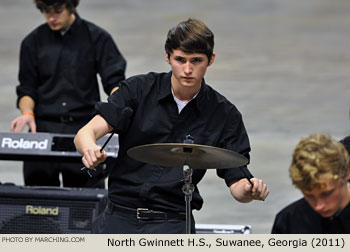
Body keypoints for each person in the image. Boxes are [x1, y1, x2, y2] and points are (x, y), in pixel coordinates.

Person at [74, 18, 269, 234]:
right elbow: (86, 133)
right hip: (119, 216)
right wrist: (90, 148)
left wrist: (250, 191)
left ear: (211, 59)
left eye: (196, 60)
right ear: (167, 57)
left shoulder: (224, 114)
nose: (187, 69)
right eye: (180, 59)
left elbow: (237, 182)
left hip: (173, 222)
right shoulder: (138, 90)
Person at [10, 0, 126, 188]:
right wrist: (27, 113)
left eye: (57, 10)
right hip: (43, 130)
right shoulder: (32, 42)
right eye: (46, 11)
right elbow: (26, 89)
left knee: (86, 206)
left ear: (71, 6)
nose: (52, 17)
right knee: (38, 205)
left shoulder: (97, 38)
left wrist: (118, 110)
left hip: (83, 130)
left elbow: (115, 82)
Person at [271, 133, 350, 233]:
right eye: (309, 196)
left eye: (327, 194)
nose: (319, 206)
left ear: (347, 173)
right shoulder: (288, 222)